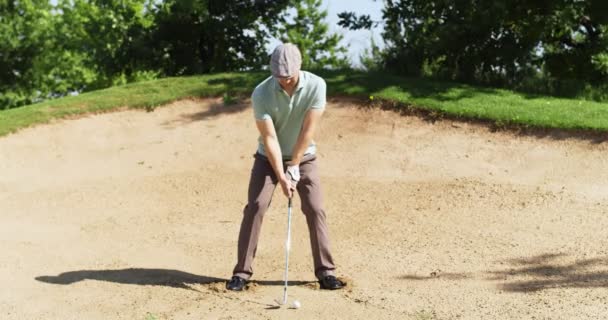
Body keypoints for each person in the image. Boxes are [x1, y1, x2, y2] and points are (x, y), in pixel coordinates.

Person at [226, 43, 345, 291]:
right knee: (256, 206)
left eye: (288, 77)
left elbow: (308, 130)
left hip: (306, 157)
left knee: (315, 208)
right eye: (279, 77)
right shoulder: (261, 93)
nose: (284, 82)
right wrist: (281, 174)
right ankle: (241, 273)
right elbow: (269, 138)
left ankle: (326, 272)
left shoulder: (316, 85)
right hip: (268, 158)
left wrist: (295, 164)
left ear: (299, 68)